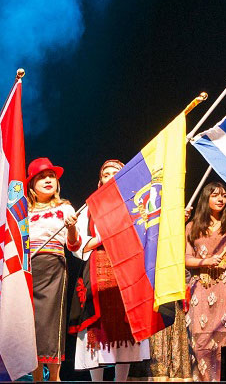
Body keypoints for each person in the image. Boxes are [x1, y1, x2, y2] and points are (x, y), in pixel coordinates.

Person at [68, 160, 149, 381]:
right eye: (106, 173)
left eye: (117, 173)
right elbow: (77, 246)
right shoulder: (89, 207)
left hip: (127, 267)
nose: (111, 176)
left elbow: (145, 238)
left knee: (125, 324)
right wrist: (81, 230)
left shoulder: (135, 205)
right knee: (97, 324)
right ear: (99, 181)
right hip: (98, 266)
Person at [184, 182, 226, 381]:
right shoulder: (192, 226)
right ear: (205, 199)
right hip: (202, 285)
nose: (220, 199)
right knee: (200, 338)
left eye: (223, 195)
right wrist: (205, 261)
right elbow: (186, 258)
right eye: (215, 195)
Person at [26, 157, 81, 382]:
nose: (48, 180)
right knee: (30, 322)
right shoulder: (23, 211)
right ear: (31, 185)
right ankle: (36, 375)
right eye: (42, 177)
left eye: (51, 177)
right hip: (28, 268)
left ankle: (54, 377)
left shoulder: (64, 208)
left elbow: (74, 245)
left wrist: (72, 228)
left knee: (50, 321)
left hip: (53, 267)